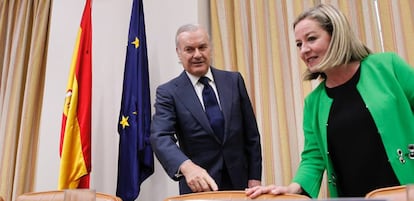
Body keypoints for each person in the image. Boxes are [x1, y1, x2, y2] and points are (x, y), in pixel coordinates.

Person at [246, 3, 414, 198]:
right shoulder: (313, 102)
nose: (304, 50)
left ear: (336, 36)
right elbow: (313, 157)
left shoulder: (388, 67)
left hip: (404, 191)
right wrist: (292, 188)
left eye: (311, 39)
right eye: (299, 44)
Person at [150, 23, 262, 195]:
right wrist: (186, 167)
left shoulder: (233, 81)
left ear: (210, 48)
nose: (197, 55)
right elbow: (160, 136)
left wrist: (255, 177)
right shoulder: (169, 92)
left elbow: (251, 134)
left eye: (202, 47)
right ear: (178, 53)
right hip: (198, 188)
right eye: (189, 49)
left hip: (240, 185)